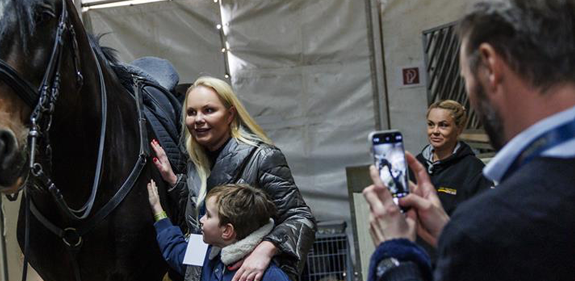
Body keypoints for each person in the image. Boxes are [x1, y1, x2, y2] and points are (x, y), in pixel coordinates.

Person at [363, 0, 575, 280]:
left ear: (490, 66)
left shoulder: (494, 223)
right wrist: (450, 236)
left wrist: (395, 254)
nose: (435, 131)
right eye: (431, 124)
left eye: (466, 78)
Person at [151, 76, 316, 281]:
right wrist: (175, 182)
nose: (198, 119)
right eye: (191, 112)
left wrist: (265, 250)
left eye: (208, 110)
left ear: (230, 115)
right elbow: (200, 218)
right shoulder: (194, 162)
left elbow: (301, 218)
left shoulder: (263, 157)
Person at [147, 181, 291, 281]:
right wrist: (158, 209)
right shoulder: (210, 252)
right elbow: (176, 251)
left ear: (227, 231)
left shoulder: (270, 276)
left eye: (208, 215)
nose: (201, 220)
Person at [417, 100, 491, 216]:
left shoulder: (474, 170)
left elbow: (484, 216)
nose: (435, 131)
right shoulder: (417, 164)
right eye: (431, 124)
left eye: (443, 125)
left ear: (459, 129)